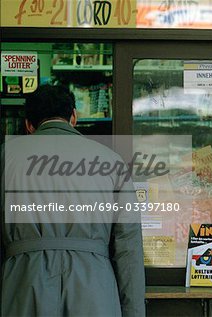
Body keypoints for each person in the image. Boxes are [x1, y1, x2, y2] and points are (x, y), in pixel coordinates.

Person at [1, 85, 145, 316]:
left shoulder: (5, 156)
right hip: (94, 288)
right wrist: (134, 312)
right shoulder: (111, 161)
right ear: (74, 117)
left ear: (29, 125)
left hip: (22, 283)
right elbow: (128, 247)